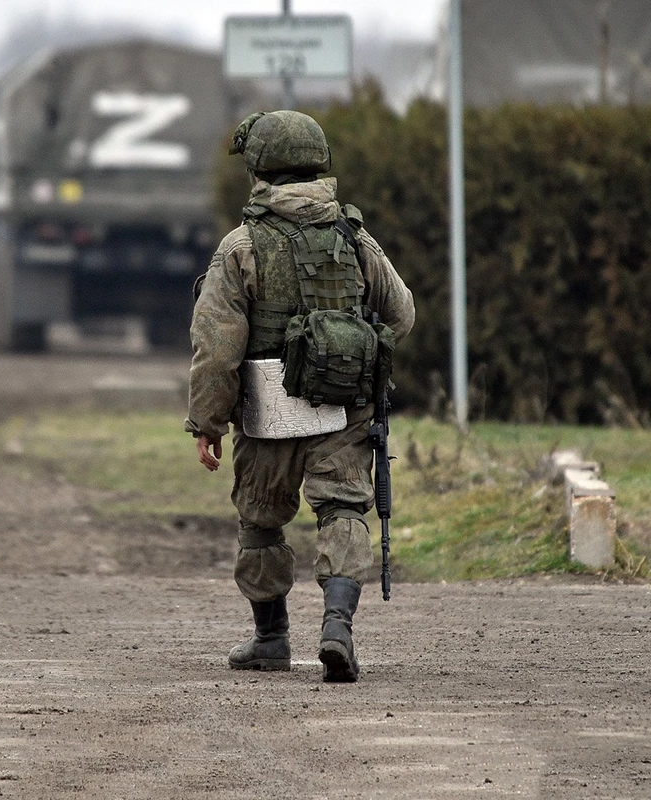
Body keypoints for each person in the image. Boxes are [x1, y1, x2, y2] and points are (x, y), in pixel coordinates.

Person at [185, 110, 415, 683]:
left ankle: (271, 638)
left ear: (260, 168)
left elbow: (216, 347)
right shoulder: (354, 236)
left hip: (268, 412)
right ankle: (337, 628)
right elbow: (402, 314)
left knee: (261, 519)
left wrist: (207, 422)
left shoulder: (241, 247)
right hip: (345, 407)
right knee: (342, 508)